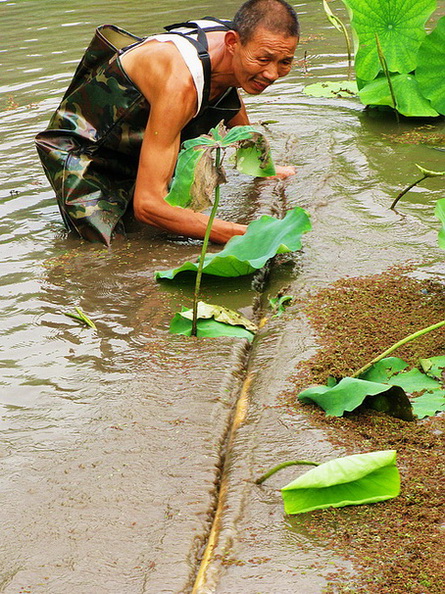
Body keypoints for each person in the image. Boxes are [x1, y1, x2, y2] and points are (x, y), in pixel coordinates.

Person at [35, 0, 299, 246]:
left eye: (285, 62)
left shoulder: (237, 51)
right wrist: (247, 233)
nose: (272, 73)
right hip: (86, 153)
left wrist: (262, 166)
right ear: (233, 42)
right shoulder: (180, 84)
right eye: (263, 60)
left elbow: (227, 93)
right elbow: (148, 206)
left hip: (136, 139)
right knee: (115, 252)